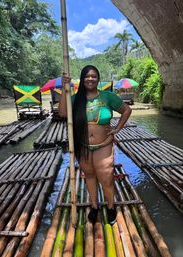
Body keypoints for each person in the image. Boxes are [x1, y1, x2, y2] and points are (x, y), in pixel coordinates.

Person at [59, 65, 132, 225]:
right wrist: (65, 90)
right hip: (83, 146)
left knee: (106, 179)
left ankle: (111, 207)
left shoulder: (107, 96)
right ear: (82, 79)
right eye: (87, 76)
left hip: (104, 146)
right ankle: (94, 206)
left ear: (98, 79)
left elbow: (126, 110)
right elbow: (63, 113)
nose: (90, 79)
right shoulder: (76, 99)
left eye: (93, 76)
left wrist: (117, 129)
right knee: (90, 177)